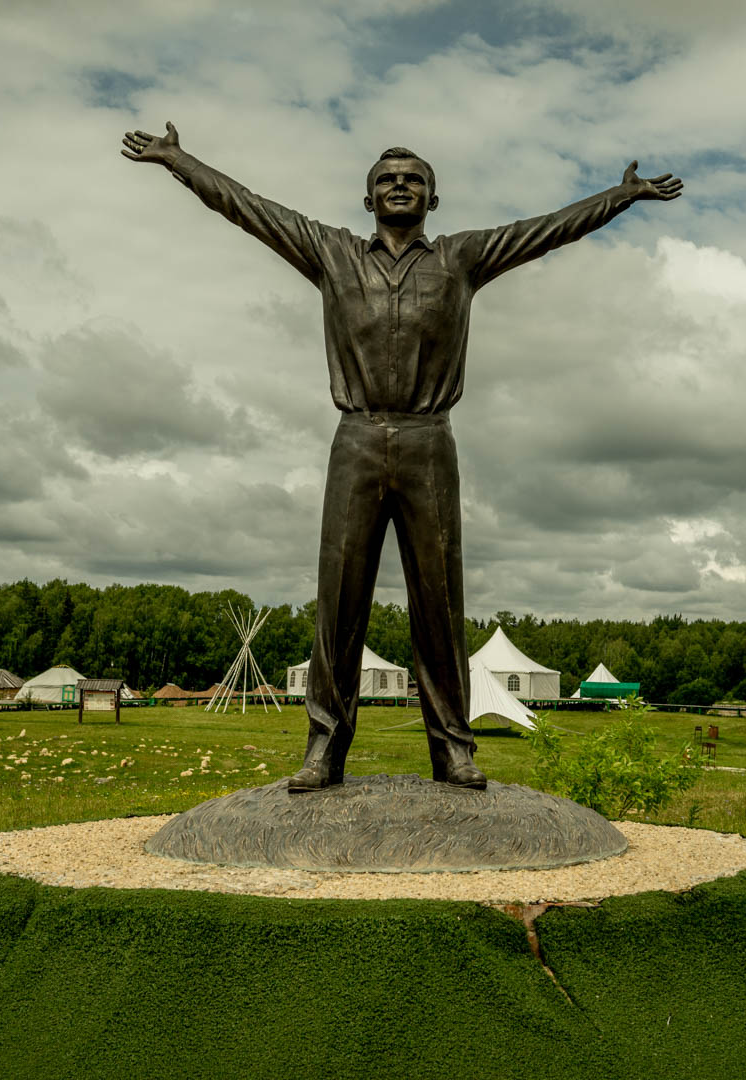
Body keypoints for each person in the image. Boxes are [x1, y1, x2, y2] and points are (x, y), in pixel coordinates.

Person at [123, 123, 682, 791]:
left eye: (414, 179)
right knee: (339, 604)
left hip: (427, 441)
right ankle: (324, 749)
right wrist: (178, 159)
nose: (400, 186)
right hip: (356, 440)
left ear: (433, 200)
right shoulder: (331, 253)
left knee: (440, 606)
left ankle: (453, 749)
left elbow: (547, 230)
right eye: (387, 179)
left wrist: (617, 198)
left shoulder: (461, 259)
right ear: (367, 200)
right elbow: (247, 206)